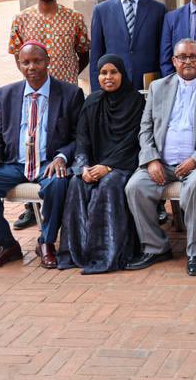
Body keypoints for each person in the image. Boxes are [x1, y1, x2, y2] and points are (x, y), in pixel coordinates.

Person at [0, 42, 85, 271]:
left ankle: (47, 243)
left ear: (48, 61)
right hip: (15, 163)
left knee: (58, 184)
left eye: (37, 61)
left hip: (48, 163)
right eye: (26, 62)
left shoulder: (70, 93)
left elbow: (79, 138)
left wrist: (61, 157)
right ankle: (7, 244)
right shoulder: (5, 95)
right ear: (18, 64)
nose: (32, 66)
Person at [124, 38, 196, 276]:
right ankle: (156, 247)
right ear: (174, 61)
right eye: (182, 57)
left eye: (193, 56)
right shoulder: (158, 87)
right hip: (160, 163)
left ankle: (195, 252)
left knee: (195, 185)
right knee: (134, 186)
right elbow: (145, 127)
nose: (188, 61)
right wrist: (151, 159)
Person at [7, 0, 89, 230]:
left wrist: (68, 77)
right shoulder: (21, 19)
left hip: (65, 96)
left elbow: (84, 52)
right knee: (31, 143)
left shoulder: (74, 18)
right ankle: (31, 207)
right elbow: (17, 56)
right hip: (33, 95)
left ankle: (59, 202)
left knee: (60, 148)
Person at [57, 54, 144, 274]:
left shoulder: (136, 102)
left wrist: (108, 166)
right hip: (94, 165)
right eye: (103, 73)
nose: (108, 77)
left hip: (123, 164)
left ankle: (106, 253)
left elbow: (133, 141)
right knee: (77, 183)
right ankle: (79, 252)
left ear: (122, 74)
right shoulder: (92, 102)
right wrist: (84, 166)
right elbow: (82, 139)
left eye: (113, 72)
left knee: (109, 185)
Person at [89, 0, 166, 91]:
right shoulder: (101, 11)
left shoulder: (158, 10)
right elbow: (96, 55)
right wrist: (97, 93)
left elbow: (163, 53)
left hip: (149, 87)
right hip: (113, 88)